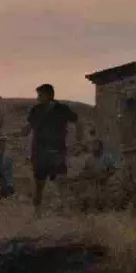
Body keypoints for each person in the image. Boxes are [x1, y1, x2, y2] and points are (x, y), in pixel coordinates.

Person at [21, 83, 82, 212]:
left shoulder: (62, 109)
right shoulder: (36, 110)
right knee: (38, 186)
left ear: (49, 95)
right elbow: (27, 128)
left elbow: (78, 122)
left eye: (40, 95)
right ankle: (37, 214)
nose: (37, 98)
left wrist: (79, 140)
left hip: (57, 152)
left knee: (61, 184)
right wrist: (13, 133)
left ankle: (67, 212)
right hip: (39, 153)